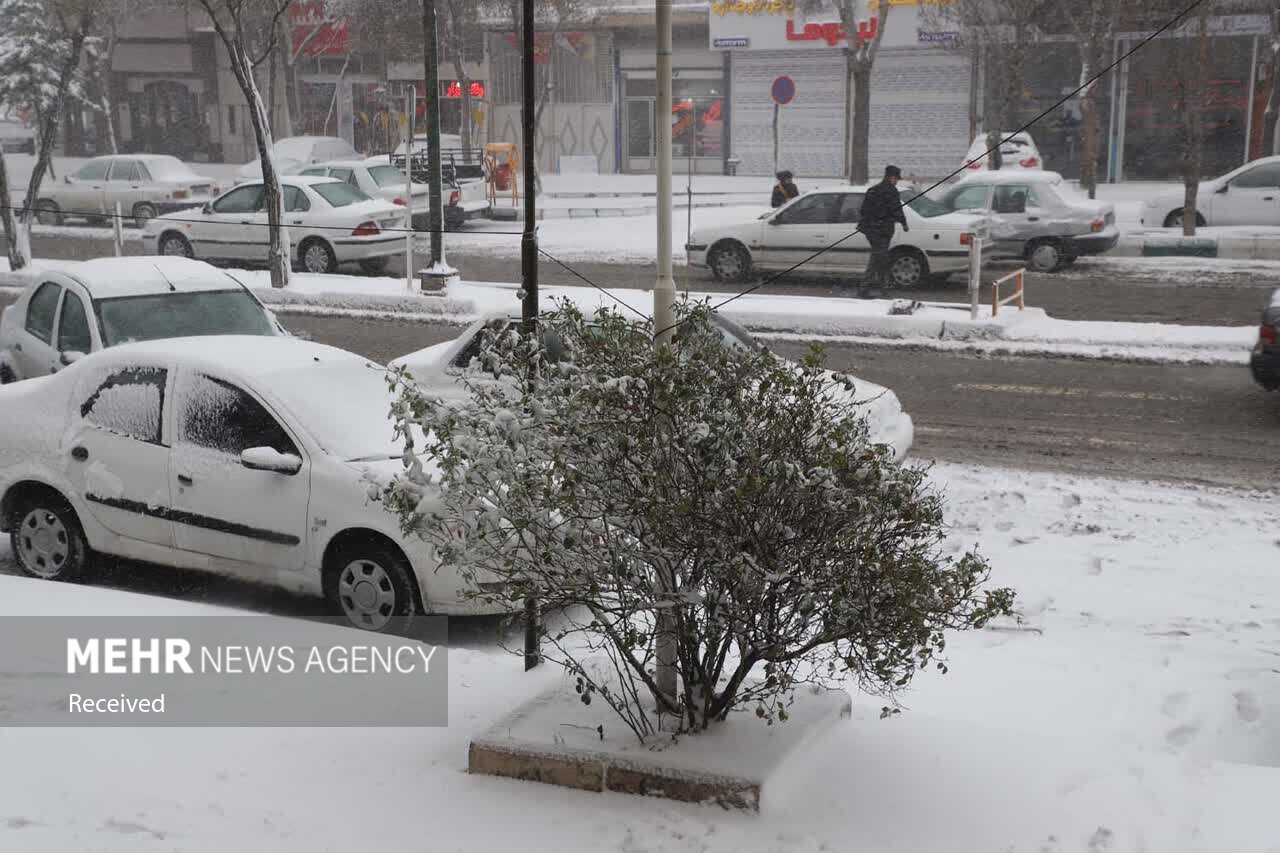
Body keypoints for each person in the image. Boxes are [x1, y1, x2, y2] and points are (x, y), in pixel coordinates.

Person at [858, 165, 909, 295]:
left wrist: (870, 222)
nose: (896, 181)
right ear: (891, 177)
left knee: (880, 256)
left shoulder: (873, 190)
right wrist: (903, 223)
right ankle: (865, 288)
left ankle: (882, 287)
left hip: (870, 230)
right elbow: (897, 209)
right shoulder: (891, 191)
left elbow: (863, 210)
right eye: (896, 178)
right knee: (878, 257)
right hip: (883, 230)